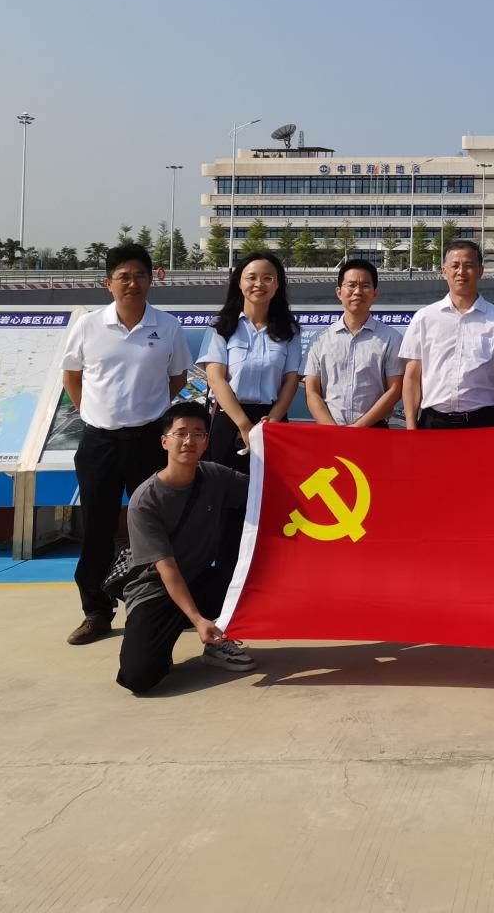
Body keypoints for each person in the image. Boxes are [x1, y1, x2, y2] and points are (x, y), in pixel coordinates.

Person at [60, 243, 192, 646]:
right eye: (123, 276)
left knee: (155, 526)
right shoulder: (88, 325)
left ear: (151, 280)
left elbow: (178, 377)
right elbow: (72, 376)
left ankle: (162, 604)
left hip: (148, 441)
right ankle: (96, 611)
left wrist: (148, 409)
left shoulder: (167, 326)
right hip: (99, 443)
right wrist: (93, 414)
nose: (131, 283)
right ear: (108, 283)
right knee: (96, 528)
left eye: (139, 275)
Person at [115, 402, 256, 694]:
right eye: (180, 433)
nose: (189, 441)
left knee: (249, 576)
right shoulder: (146, 500)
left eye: (198, 434)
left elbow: (264, 489)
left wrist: (269, 440)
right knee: (138, 677)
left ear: (206, 442)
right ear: (165, 441)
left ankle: (219, 642)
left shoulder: (215, 476)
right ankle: (176, 633)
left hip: (200, 579)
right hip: (156, 590)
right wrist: (197, 619)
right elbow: (167, 569)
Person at [401, 239, 494, 429]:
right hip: (434, 423)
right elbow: (412, 377)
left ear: (480, 271)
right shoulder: (424, 318)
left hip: (482, 423)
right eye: (455, 266)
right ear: (444, 271)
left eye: (468, 266)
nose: (461, 272)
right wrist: (411, 427)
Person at [201, 251, 303, 463]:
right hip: (230, 417)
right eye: (252, 277)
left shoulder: (289, 330)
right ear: (239, 283)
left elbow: (291, 380)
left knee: (271, 482)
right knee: (224, 481)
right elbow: (216, 379)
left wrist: (273, 420)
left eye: (268, 278)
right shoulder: (220, 326)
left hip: (272, 420)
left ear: (277, 285)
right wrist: (244, 425)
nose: (259, 284)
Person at [303, 258, 405, 429]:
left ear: (374, 293)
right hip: (330, 431)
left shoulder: (391, 338)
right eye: (351, 285)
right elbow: (311, 391)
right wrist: (334, 430)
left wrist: (358, 428)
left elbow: (395, 389)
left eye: (365, 286)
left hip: (373, 430)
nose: (357, 292)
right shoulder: (320, 339)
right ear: (339, 292)